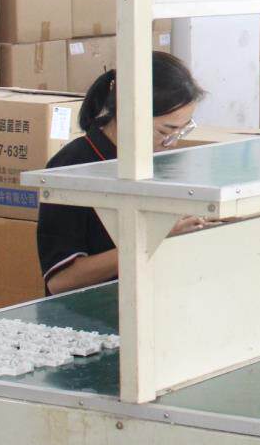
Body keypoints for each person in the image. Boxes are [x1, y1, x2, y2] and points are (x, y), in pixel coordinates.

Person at [37, 53, 210, 295]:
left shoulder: (157, 159)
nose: (171, 143)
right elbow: (61, 280)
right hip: (93, 308)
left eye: (182, 130)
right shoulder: (72, 166)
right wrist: (154, 238)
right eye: (164, 131)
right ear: (129, 113)